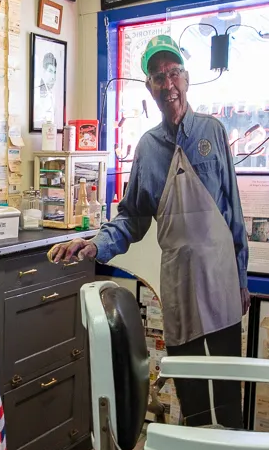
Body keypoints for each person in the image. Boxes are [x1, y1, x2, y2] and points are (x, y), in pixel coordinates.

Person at [48, 35, 249, 428]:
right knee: (193, 395)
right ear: (149, 87)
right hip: (179, 284)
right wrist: (93, 244)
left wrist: (242, 277)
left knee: (226, 393)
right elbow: (131, 217)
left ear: (186, 78)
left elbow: (235, 214)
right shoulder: (148, 147)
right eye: (158, 77)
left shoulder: (212, 132)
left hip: (222, 280)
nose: (168, 83)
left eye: (173, 73)